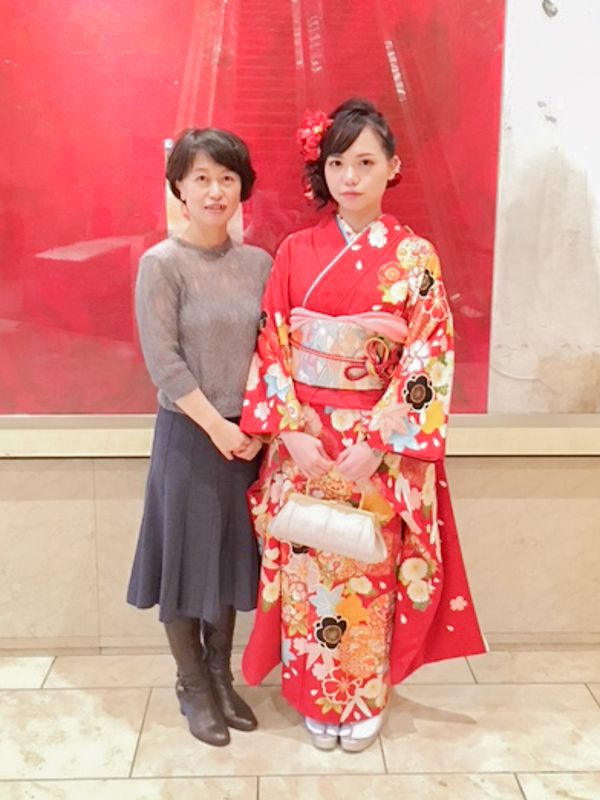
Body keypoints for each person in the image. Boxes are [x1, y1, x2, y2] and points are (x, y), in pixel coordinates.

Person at [239, 99, 486, 753]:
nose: (350, 177)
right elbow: (271, 341)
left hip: (376, 445)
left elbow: (428, 354)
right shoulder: (295, 251)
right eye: (338, 163)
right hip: (307, 443)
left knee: (366, 570)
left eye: (366, 163)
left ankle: (361, 697)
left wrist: (378, 443)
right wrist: (290, 431)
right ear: (323, 169)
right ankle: (313, 694)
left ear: (392, 168)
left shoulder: (416, 256)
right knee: (309, 565)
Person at [127, 128, 271, 747]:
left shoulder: (259, 264)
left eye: (227, 178)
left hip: (246, 440)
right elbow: (165, 364)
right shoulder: (161, 264)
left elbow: (272, 348)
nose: (215, 191)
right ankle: (191, 683)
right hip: (190, 437)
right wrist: (220, 429)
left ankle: (220, 675)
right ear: (179, 188)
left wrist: (256, 428)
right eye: (201, 178)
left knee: (233, 559)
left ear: (243, 188)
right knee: (187, 563)